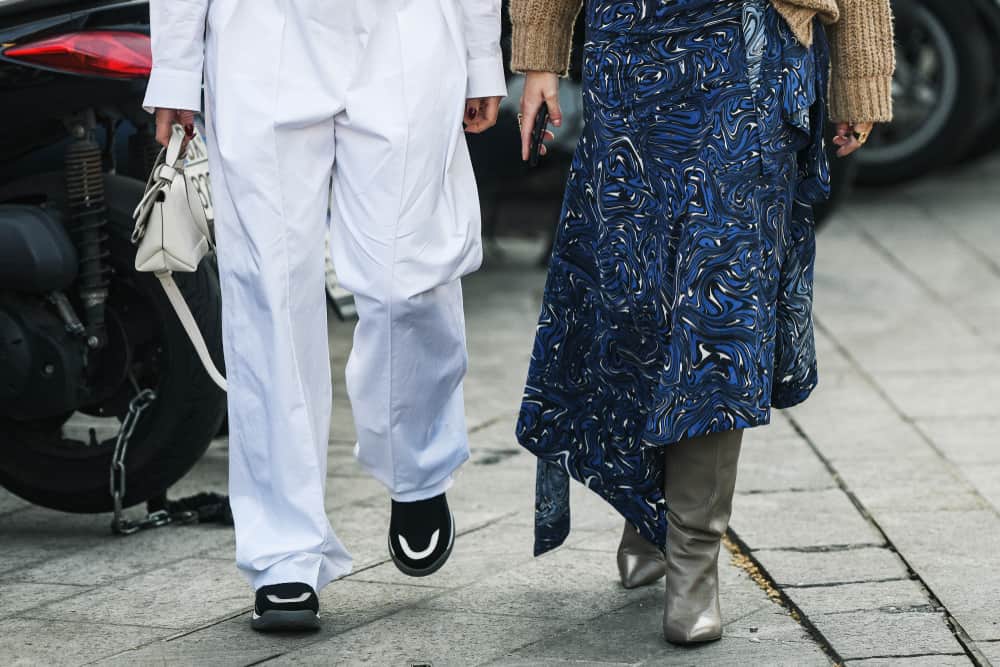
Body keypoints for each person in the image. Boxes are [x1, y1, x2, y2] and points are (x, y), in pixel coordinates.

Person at [511, 0, 893, 644]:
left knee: (719, 313)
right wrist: (540, 55)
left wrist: (859, 75)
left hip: (750, 58)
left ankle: (694, 557)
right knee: (630, 296)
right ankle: (645, 497)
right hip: (630, 55)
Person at [144, 0, 505, 632]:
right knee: (267, 290)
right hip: (260, 30)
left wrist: (480, 56)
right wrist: (175, 63)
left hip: (408, 27)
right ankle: (284, 550)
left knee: (407, 280)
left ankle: (415, 464)